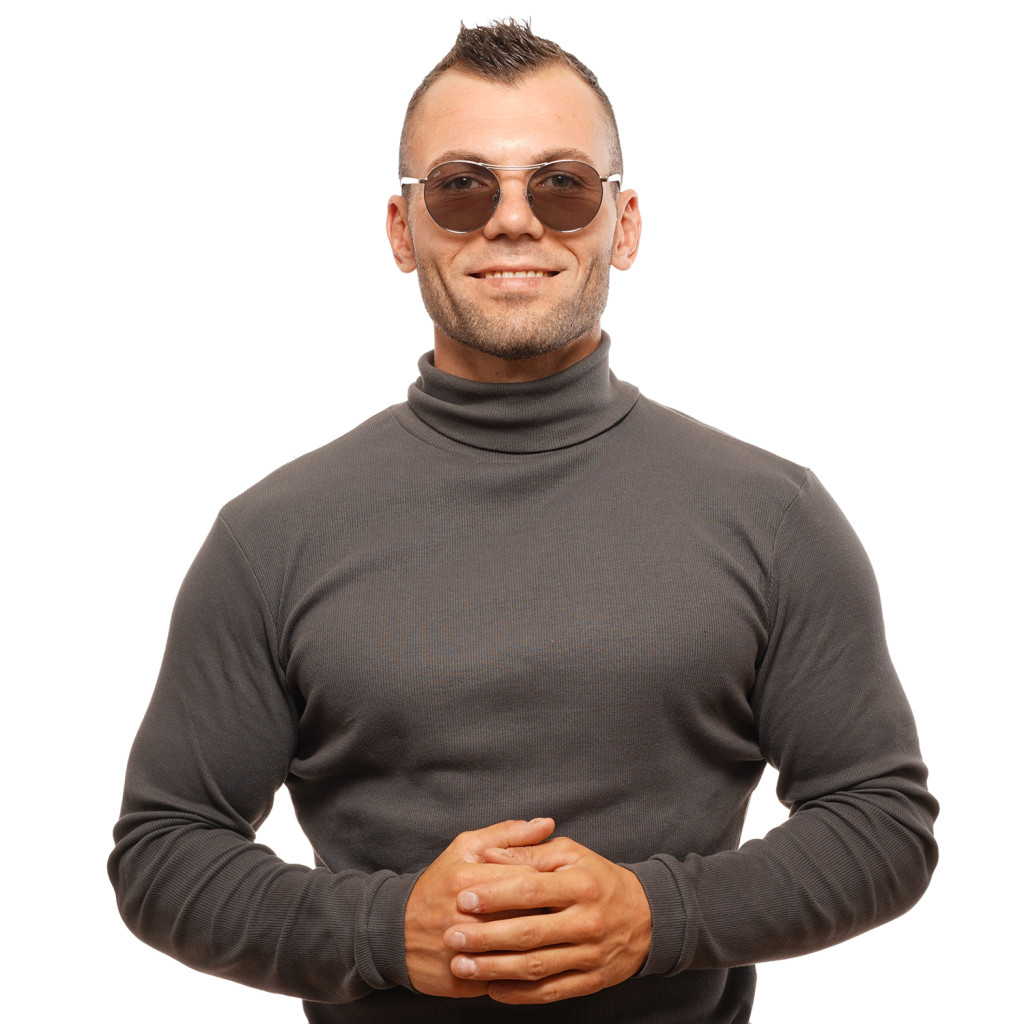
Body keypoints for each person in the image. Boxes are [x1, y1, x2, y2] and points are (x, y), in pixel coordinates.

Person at [109, 19, 938, 1024]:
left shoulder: (773, 516)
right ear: (402, 229)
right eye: (462, 187)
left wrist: (656, 915)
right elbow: (164, 850)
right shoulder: (272, 537)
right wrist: (383, 931)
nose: (512, 221)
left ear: (623, 224)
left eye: (561, 185)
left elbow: (882, 820)